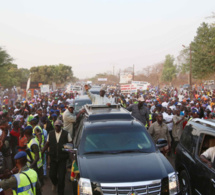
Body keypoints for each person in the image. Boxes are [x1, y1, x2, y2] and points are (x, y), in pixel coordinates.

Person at [42, 120, 72, 195]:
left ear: (61, 126)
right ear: (54, 126)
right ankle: (55, 183)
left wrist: (70, 155)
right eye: (56, 125)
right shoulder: (51, 134)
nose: (57, 127)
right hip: (53, 158)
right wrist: (41, 152)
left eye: (58, 125)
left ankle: (60, 192)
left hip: (62, 159)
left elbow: (70, 145)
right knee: (52, 175)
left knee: (61, 177)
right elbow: (47, 144)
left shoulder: (66, 134)